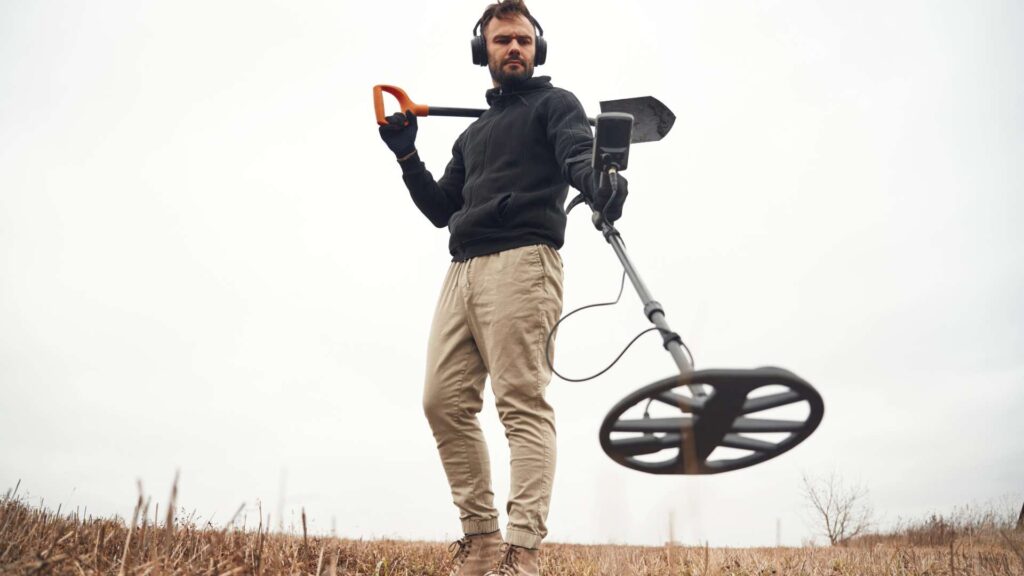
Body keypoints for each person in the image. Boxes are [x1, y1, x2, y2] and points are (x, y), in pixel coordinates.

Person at [377, 1, 626, 574]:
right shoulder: (473, 134)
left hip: (522, 261)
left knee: (521, 404)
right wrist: (408, 156)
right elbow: (441, 209)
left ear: (537, 49)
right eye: (500, 41)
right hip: (462, 267)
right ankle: (482, 540)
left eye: (522, 40)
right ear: (482, 52)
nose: (513, 48)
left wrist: (601, 183)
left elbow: (574, 155)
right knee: (441, 402)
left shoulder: (557, 105)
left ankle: (522, 551)